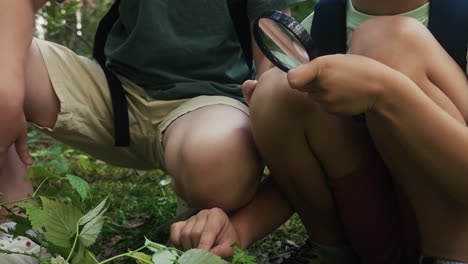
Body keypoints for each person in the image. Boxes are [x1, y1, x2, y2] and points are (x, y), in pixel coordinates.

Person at [0, 0, 304, 262]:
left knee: (217, 161)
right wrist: (8, 85)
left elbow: (274, 59)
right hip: (116, 96)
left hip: (211, 103)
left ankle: (202, 219)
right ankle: (18, 234)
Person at [170, 0, 468, 263]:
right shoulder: (322, 25)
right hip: (378, 233)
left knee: (391, 42)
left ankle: (448, 257)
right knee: (277, 89)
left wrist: (387, 93)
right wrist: (239, 230)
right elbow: (303, 174)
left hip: (454, 236)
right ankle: (333, 252)